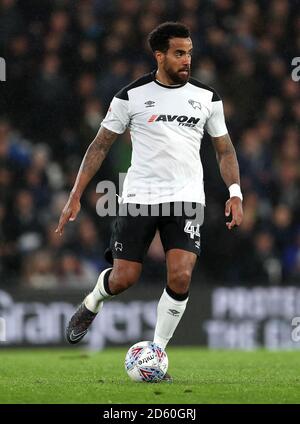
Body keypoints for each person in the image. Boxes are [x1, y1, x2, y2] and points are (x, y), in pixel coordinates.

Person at [56, 22, 243, 381]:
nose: (187, 59)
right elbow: (100, 145)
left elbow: (225, 149)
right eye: (178, 53)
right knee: (125, 277)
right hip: (140, 197)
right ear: (159, 55)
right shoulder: (132, 96)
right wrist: (75, 195)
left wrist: (235, 192)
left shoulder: (207, 97)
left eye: (189, 51)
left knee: (181, 274)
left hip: (187, 198)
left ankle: (156, 354)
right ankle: (93, 301)